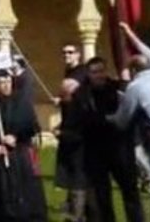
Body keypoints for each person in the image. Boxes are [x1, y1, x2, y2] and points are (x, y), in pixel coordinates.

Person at [77, 54, 144, 222]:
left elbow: (130, 114)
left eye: (101, 71)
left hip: (120, 148)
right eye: (94, 72)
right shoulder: (83, 94)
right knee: (102, 196)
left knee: (130, 192)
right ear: (88, 74)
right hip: (96, 151)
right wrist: (106, 119)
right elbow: (83, 119)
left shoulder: (118, 89)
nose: (98, 75)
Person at [0, 68, 47, 222]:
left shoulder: (22, 102)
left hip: (19, 156)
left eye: (8, 81)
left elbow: (32, 127)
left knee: (24, 193)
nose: (6, 85)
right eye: (2, 82)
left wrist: (16, 137)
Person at [109, 22, 150, 221]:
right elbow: (148, 52)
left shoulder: (136, 87)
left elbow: (122, 120)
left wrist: (105, 117)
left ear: (132, 72)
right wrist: (129, 33)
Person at [54, 78, 87, 222]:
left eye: (63, 93)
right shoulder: (70, 104)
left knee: (77, 186)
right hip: (71, 151)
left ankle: (77, 216)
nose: (61, 96)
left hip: (80, 152)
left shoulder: (80, 106)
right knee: (73, 183)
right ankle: (74, 213)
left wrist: (61, 134)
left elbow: (79, 132)